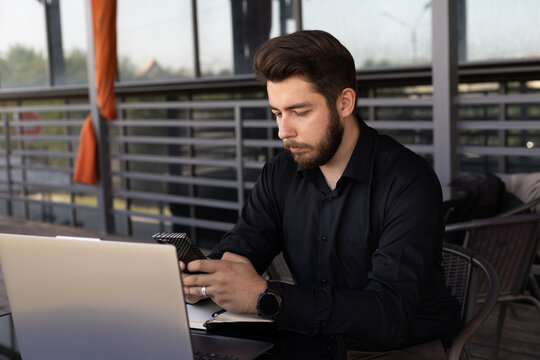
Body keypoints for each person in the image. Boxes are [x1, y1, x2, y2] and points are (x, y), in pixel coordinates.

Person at [180, 30, 461, 358]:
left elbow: (387, 318)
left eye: (299, 112)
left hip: (404, 347)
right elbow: (242, 248)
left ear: (344, 103)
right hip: (314, 341)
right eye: (277, 113)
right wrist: (200, 278)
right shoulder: (280, 173)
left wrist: (265, 295)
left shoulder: (408, 181)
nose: (283, 131)